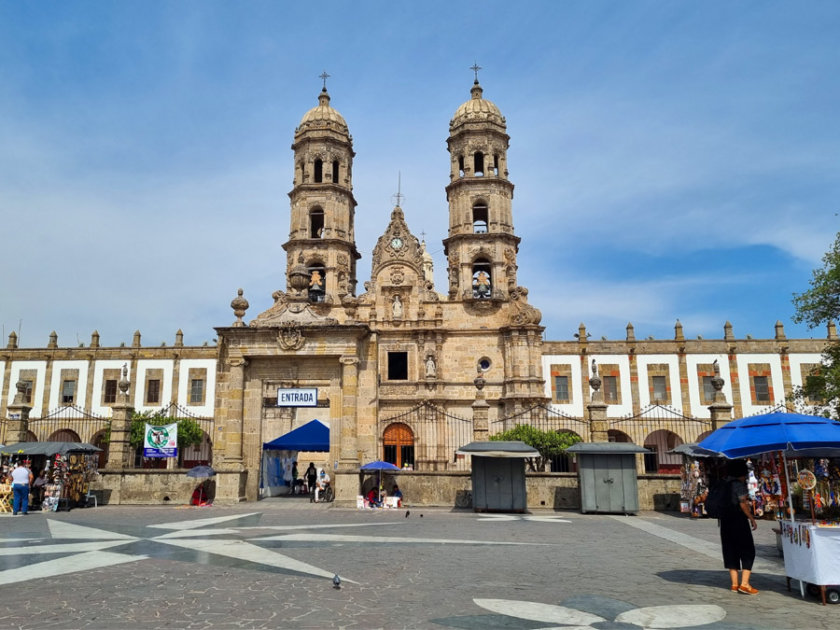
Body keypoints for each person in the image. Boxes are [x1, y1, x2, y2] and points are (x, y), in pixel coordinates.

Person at [720, 459, 759, 594]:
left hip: (725, 522)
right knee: (748, 550)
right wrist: (752, 518)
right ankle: (745, 584)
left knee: (730, 550)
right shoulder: (738, 485)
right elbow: (743, 504)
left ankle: (734, 584)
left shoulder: (723, 483)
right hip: (738, 521)